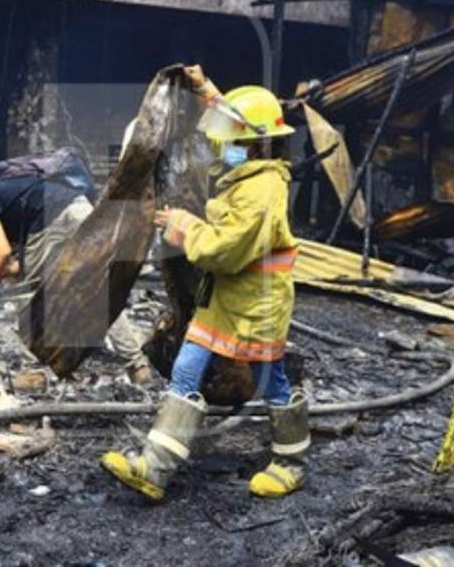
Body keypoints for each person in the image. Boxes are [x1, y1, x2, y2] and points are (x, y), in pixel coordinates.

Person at [100, 65, 307, 501]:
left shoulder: (263, 191)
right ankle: (154, 469)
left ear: (252, 144)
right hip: (223, 300)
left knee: (271, 382)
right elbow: (238, 119)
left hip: (256, 307)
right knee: (186, 369)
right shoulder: (246, 172)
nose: (220, 145)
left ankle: (291, 463)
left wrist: (184, 227)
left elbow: (226, 250)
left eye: (230, 140)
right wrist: (204, 87)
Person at [0, 178, 155, 385]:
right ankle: (137, 365)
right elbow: (18, 263)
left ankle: (34, 372)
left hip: (52, 219)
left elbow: (1, 252)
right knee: (97, 291)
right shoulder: (7, 202)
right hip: (80, 208)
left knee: (30, 293)